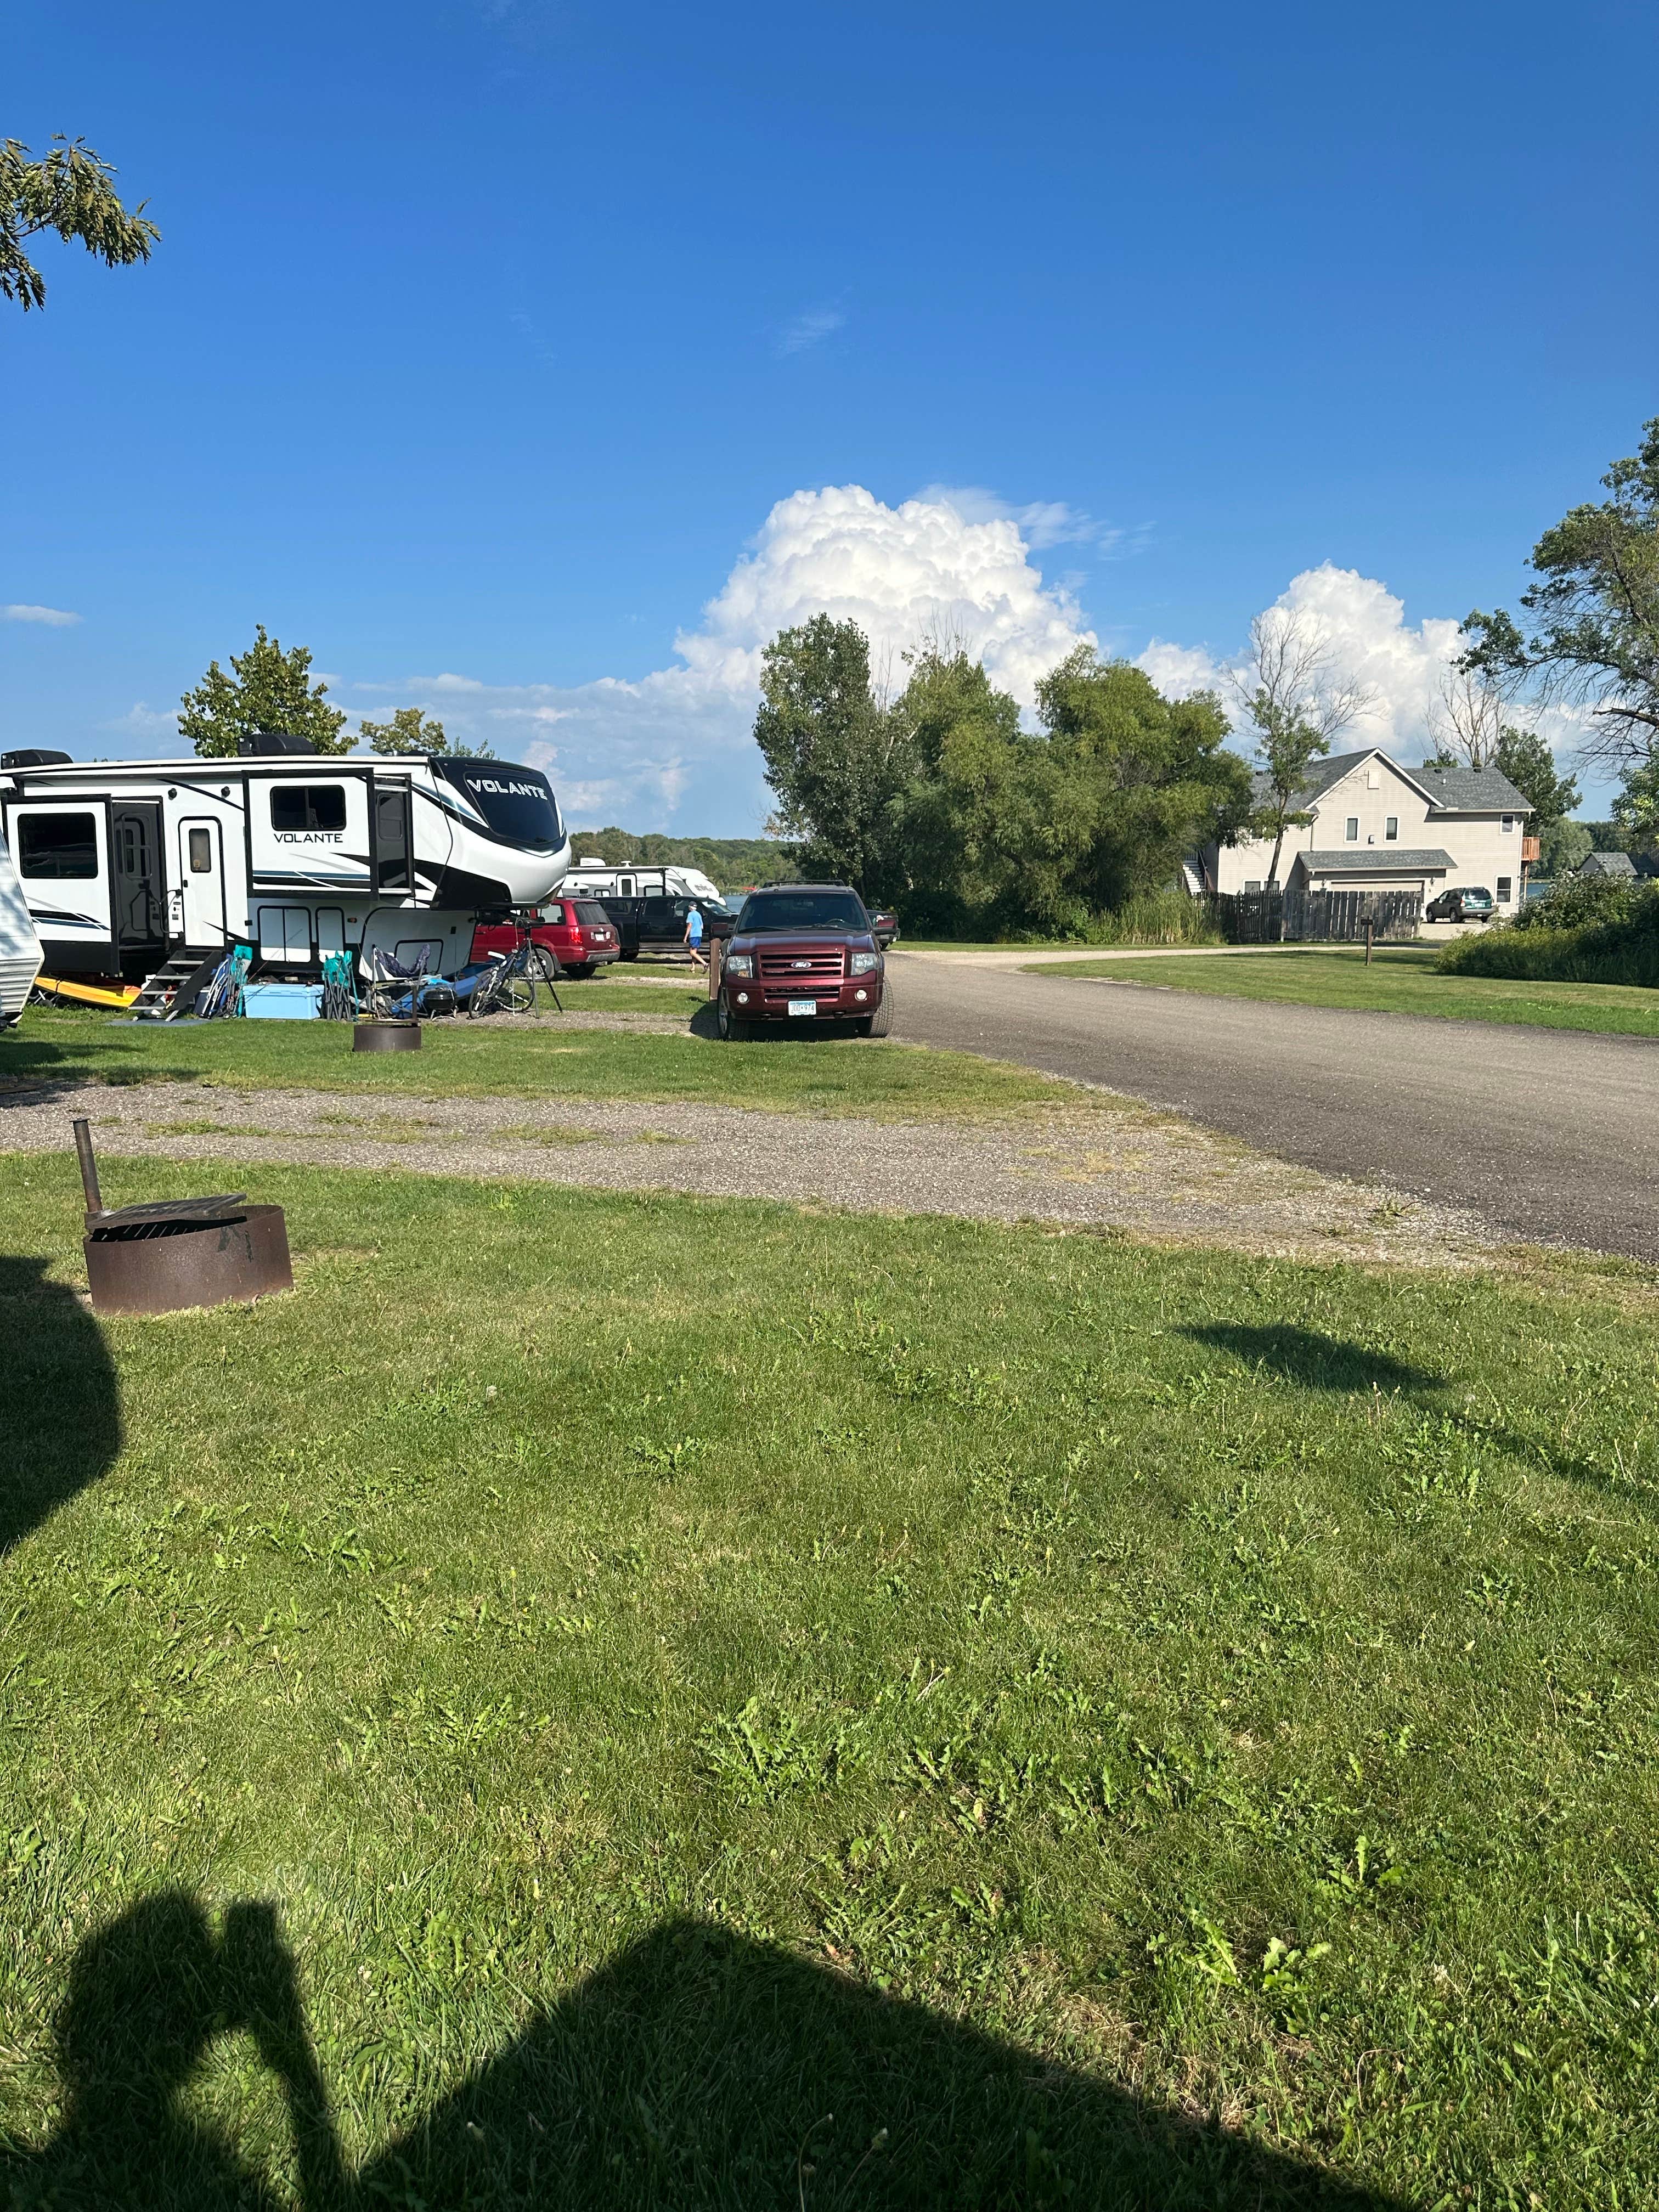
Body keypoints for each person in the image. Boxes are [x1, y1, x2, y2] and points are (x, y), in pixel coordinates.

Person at [683, 901, 706, 971]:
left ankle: (705, 964)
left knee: (692, 953)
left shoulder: (690, 914)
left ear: (690, 907)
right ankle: (693, 968)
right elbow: (702, 926)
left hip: (693, 935)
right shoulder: (699, 914)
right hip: (699, 935)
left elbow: (690, 925)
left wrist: (686, 937)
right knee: (694, 952)